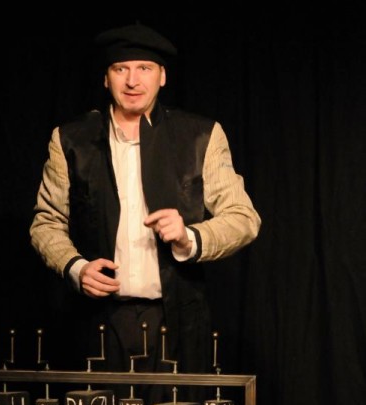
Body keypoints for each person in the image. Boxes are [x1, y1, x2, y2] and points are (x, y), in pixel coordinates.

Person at [30, 23, 261, 375]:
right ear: (106, 78)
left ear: (162, 76)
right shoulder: (71, 139)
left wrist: (189, 237)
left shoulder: (200, 135)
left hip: (177, 322)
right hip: (99, 324)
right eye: (120, 69)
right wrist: (76, 267)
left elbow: (244, 219)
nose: (132, 81)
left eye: (144, 68)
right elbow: (46, 222)